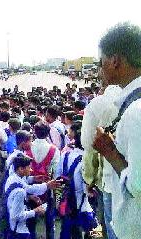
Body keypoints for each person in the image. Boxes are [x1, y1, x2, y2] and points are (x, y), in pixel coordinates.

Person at [93, 22, 141, 239]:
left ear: (114, 61)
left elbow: (137, 186)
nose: (99, 67)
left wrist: (110, 152)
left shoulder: (136, 111)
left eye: (100, 60)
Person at [81, 84, 122, 239]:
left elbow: (89, 145)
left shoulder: (98, 105)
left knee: (112, 227)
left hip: (110, 179)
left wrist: (89, 180)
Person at [56, 122, 94, 239]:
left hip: (65, 199)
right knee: (84, 230)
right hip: (81, 201)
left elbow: (58, 175)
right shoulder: (86, 160)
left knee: (66, 228)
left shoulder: (65, 155)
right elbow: (86, 187)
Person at [5, 154, 46, 239]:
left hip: (13, 228)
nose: (31, 170)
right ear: (21, 169)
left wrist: (29, 197)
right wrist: (35, 211)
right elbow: (17, 216)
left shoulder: (12, 179)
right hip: (19, 231)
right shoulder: (20, 191)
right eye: (28, 167)